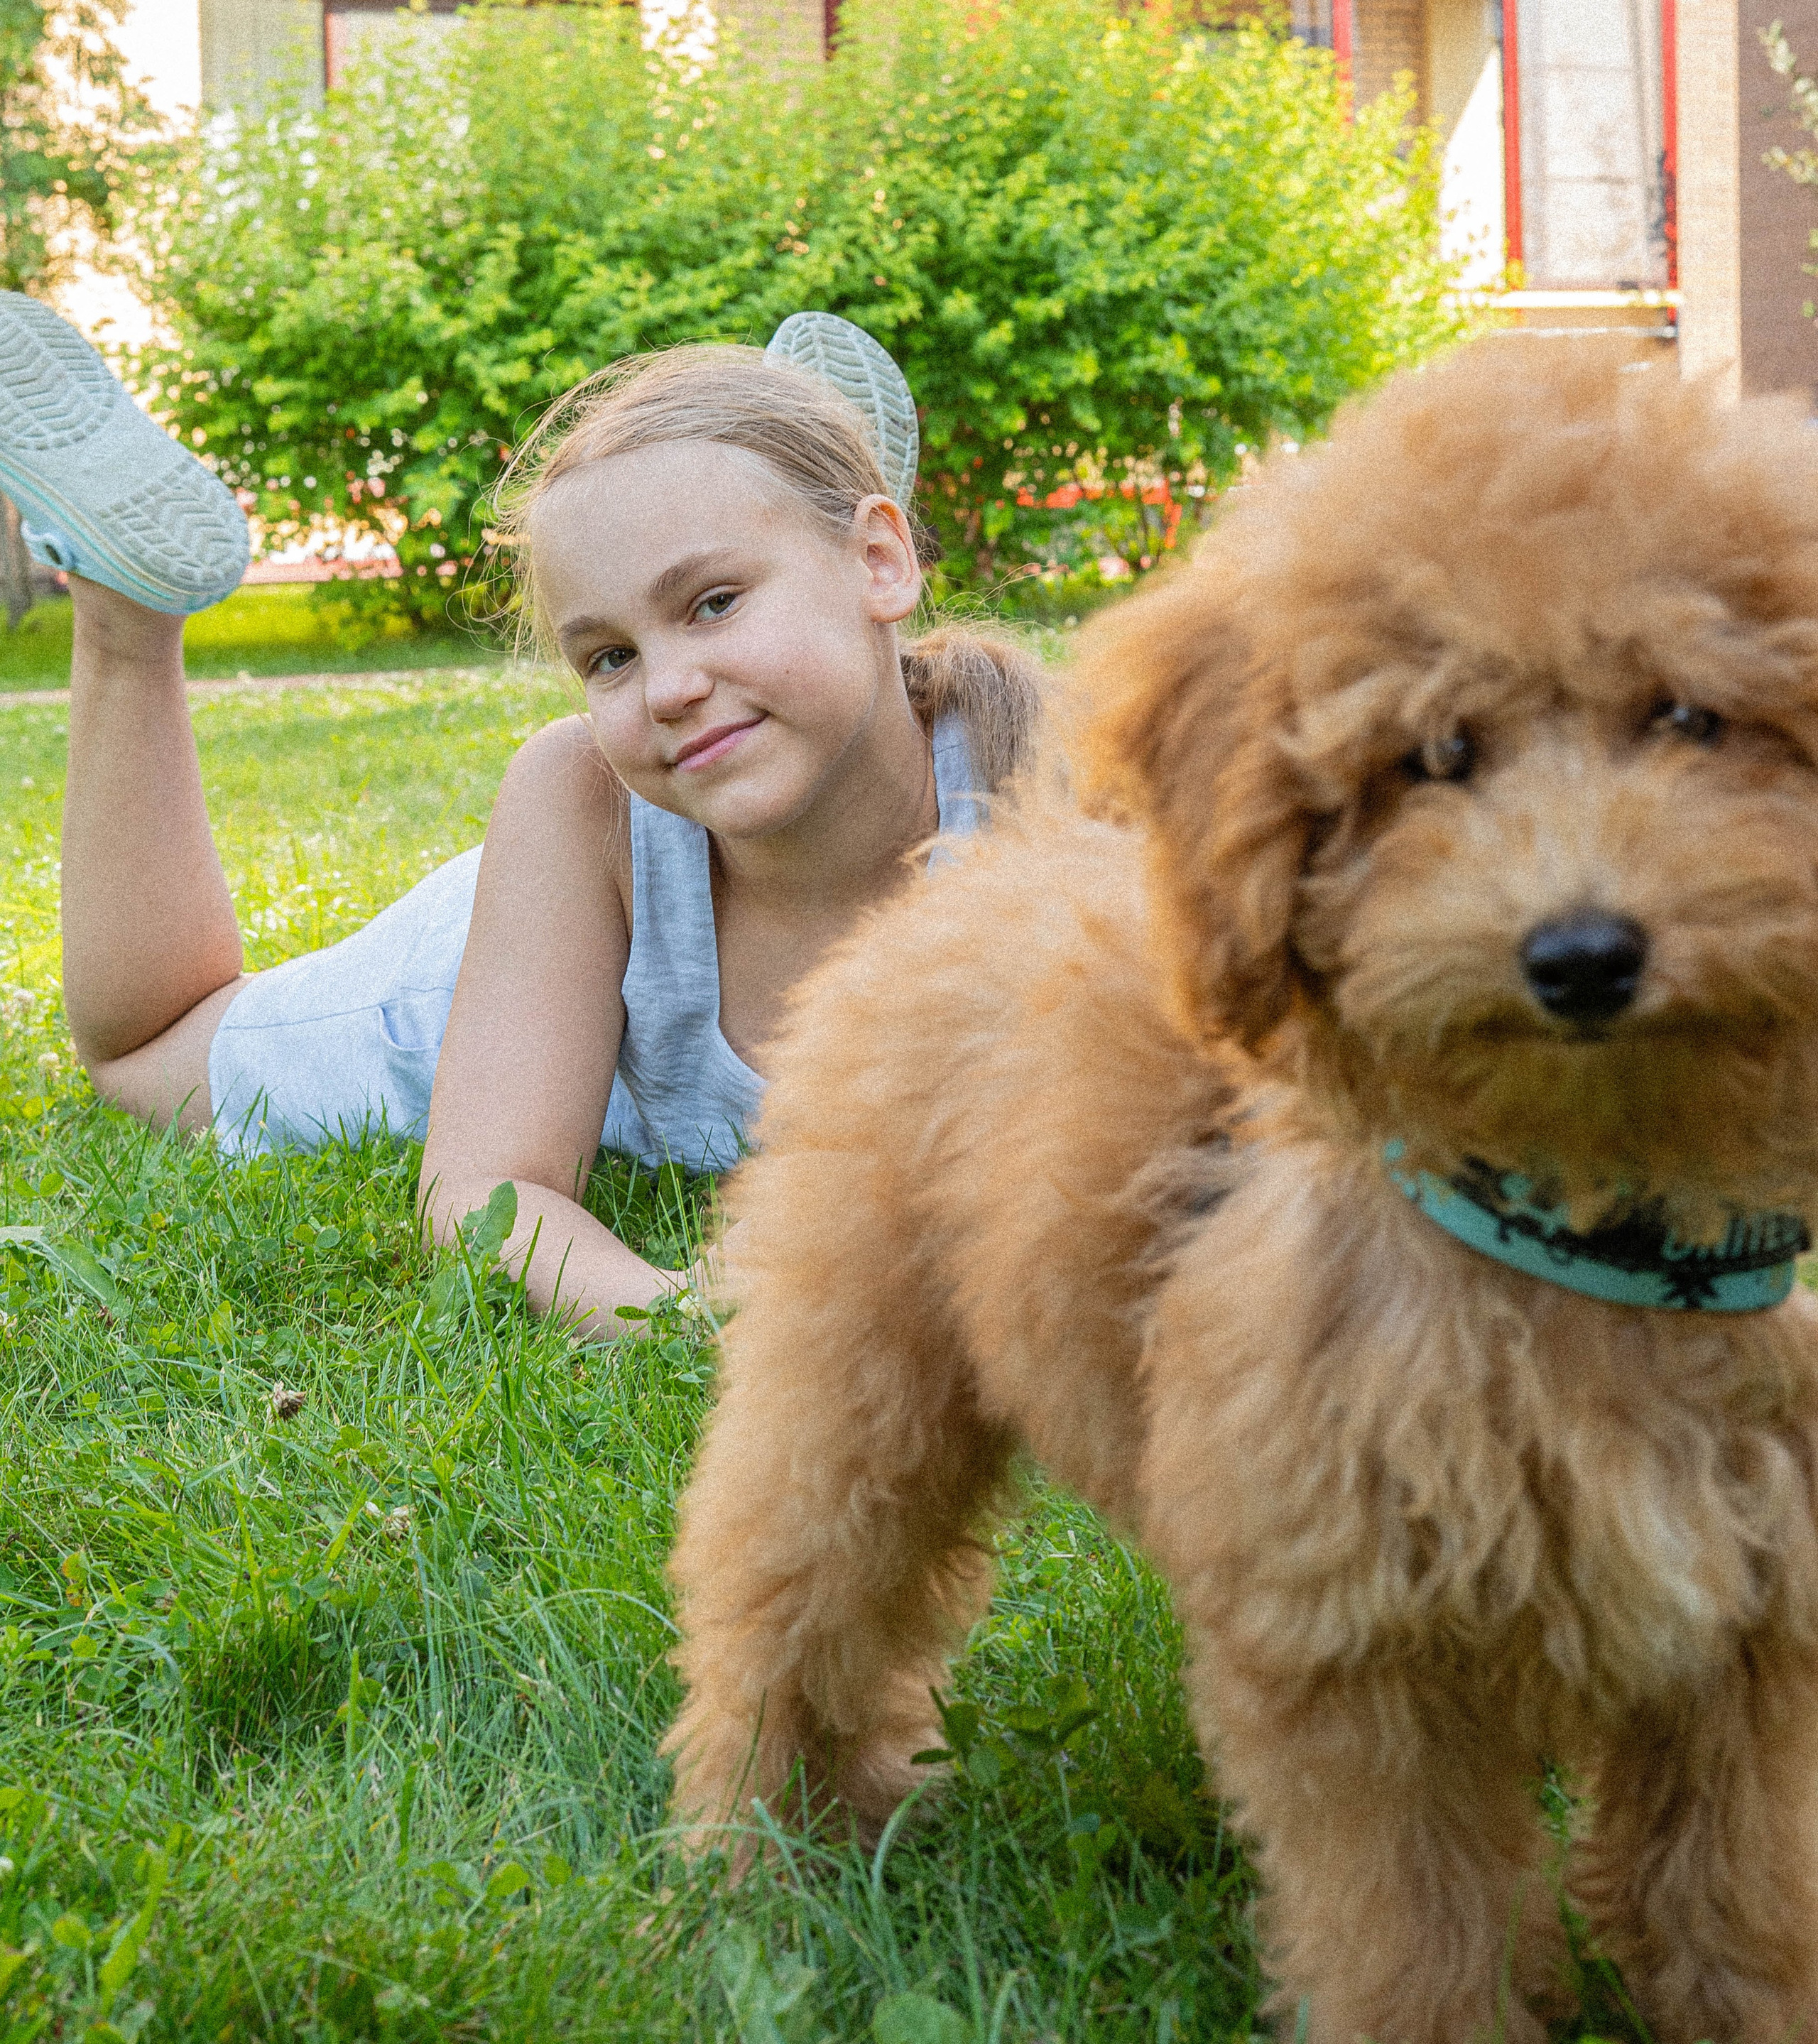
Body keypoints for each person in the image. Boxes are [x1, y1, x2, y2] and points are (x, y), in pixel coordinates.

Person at [0, 297, 1043, 1339]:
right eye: (610, 657)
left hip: (796, 742)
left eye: (713, 600)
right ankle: (129, 623)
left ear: (882, 561)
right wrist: (685, 1313)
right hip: (499, 963)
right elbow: (483, 1197)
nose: (668, 688)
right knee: (143, 1050)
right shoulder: (581, 788)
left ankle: (792, 510)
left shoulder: (1061, 800)